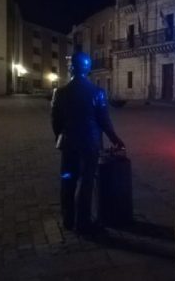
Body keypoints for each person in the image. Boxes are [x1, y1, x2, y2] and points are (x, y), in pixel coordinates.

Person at [51, 51, 125, 235]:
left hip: (69, 143)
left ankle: (68, 219)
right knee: (86, 181)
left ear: (71, 68)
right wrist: (115, 139)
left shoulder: (60, 93)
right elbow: (104, 121)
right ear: (88, 69)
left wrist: (60, 136)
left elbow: (55, 121)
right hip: (90, 143)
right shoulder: (97, 92)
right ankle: (83, 221)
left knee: (68, 179)